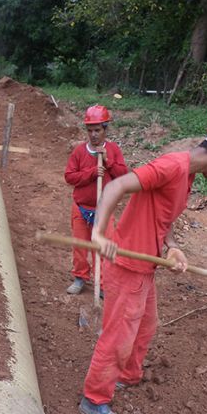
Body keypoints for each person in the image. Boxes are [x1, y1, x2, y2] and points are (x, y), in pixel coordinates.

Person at [79, 117, 207, 414]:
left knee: (146, 326)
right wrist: (99, 234)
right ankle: (94, 399)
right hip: (127, 265)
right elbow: (118, 185)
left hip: (146, 265)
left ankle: (126, 375)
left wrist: (172, 247)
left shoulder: (186, 175)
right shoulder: (171, 166)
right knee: (119, 334)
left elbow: (164, 217)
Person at [64, 105, 128, 295]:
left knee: (102, 248)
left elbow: (123, 176)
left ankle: (102, 283)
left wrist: (109, 162)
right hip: (81, 208)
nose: (94, 135)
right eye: (90, 130)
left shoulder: (114, 150)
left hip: (104, 210)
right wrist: (91, 173)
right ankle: (80, 278)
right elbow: (69, 177)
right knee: (80, 245)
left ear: (105, 129)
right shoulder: (79, 152)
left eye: (98, 130)